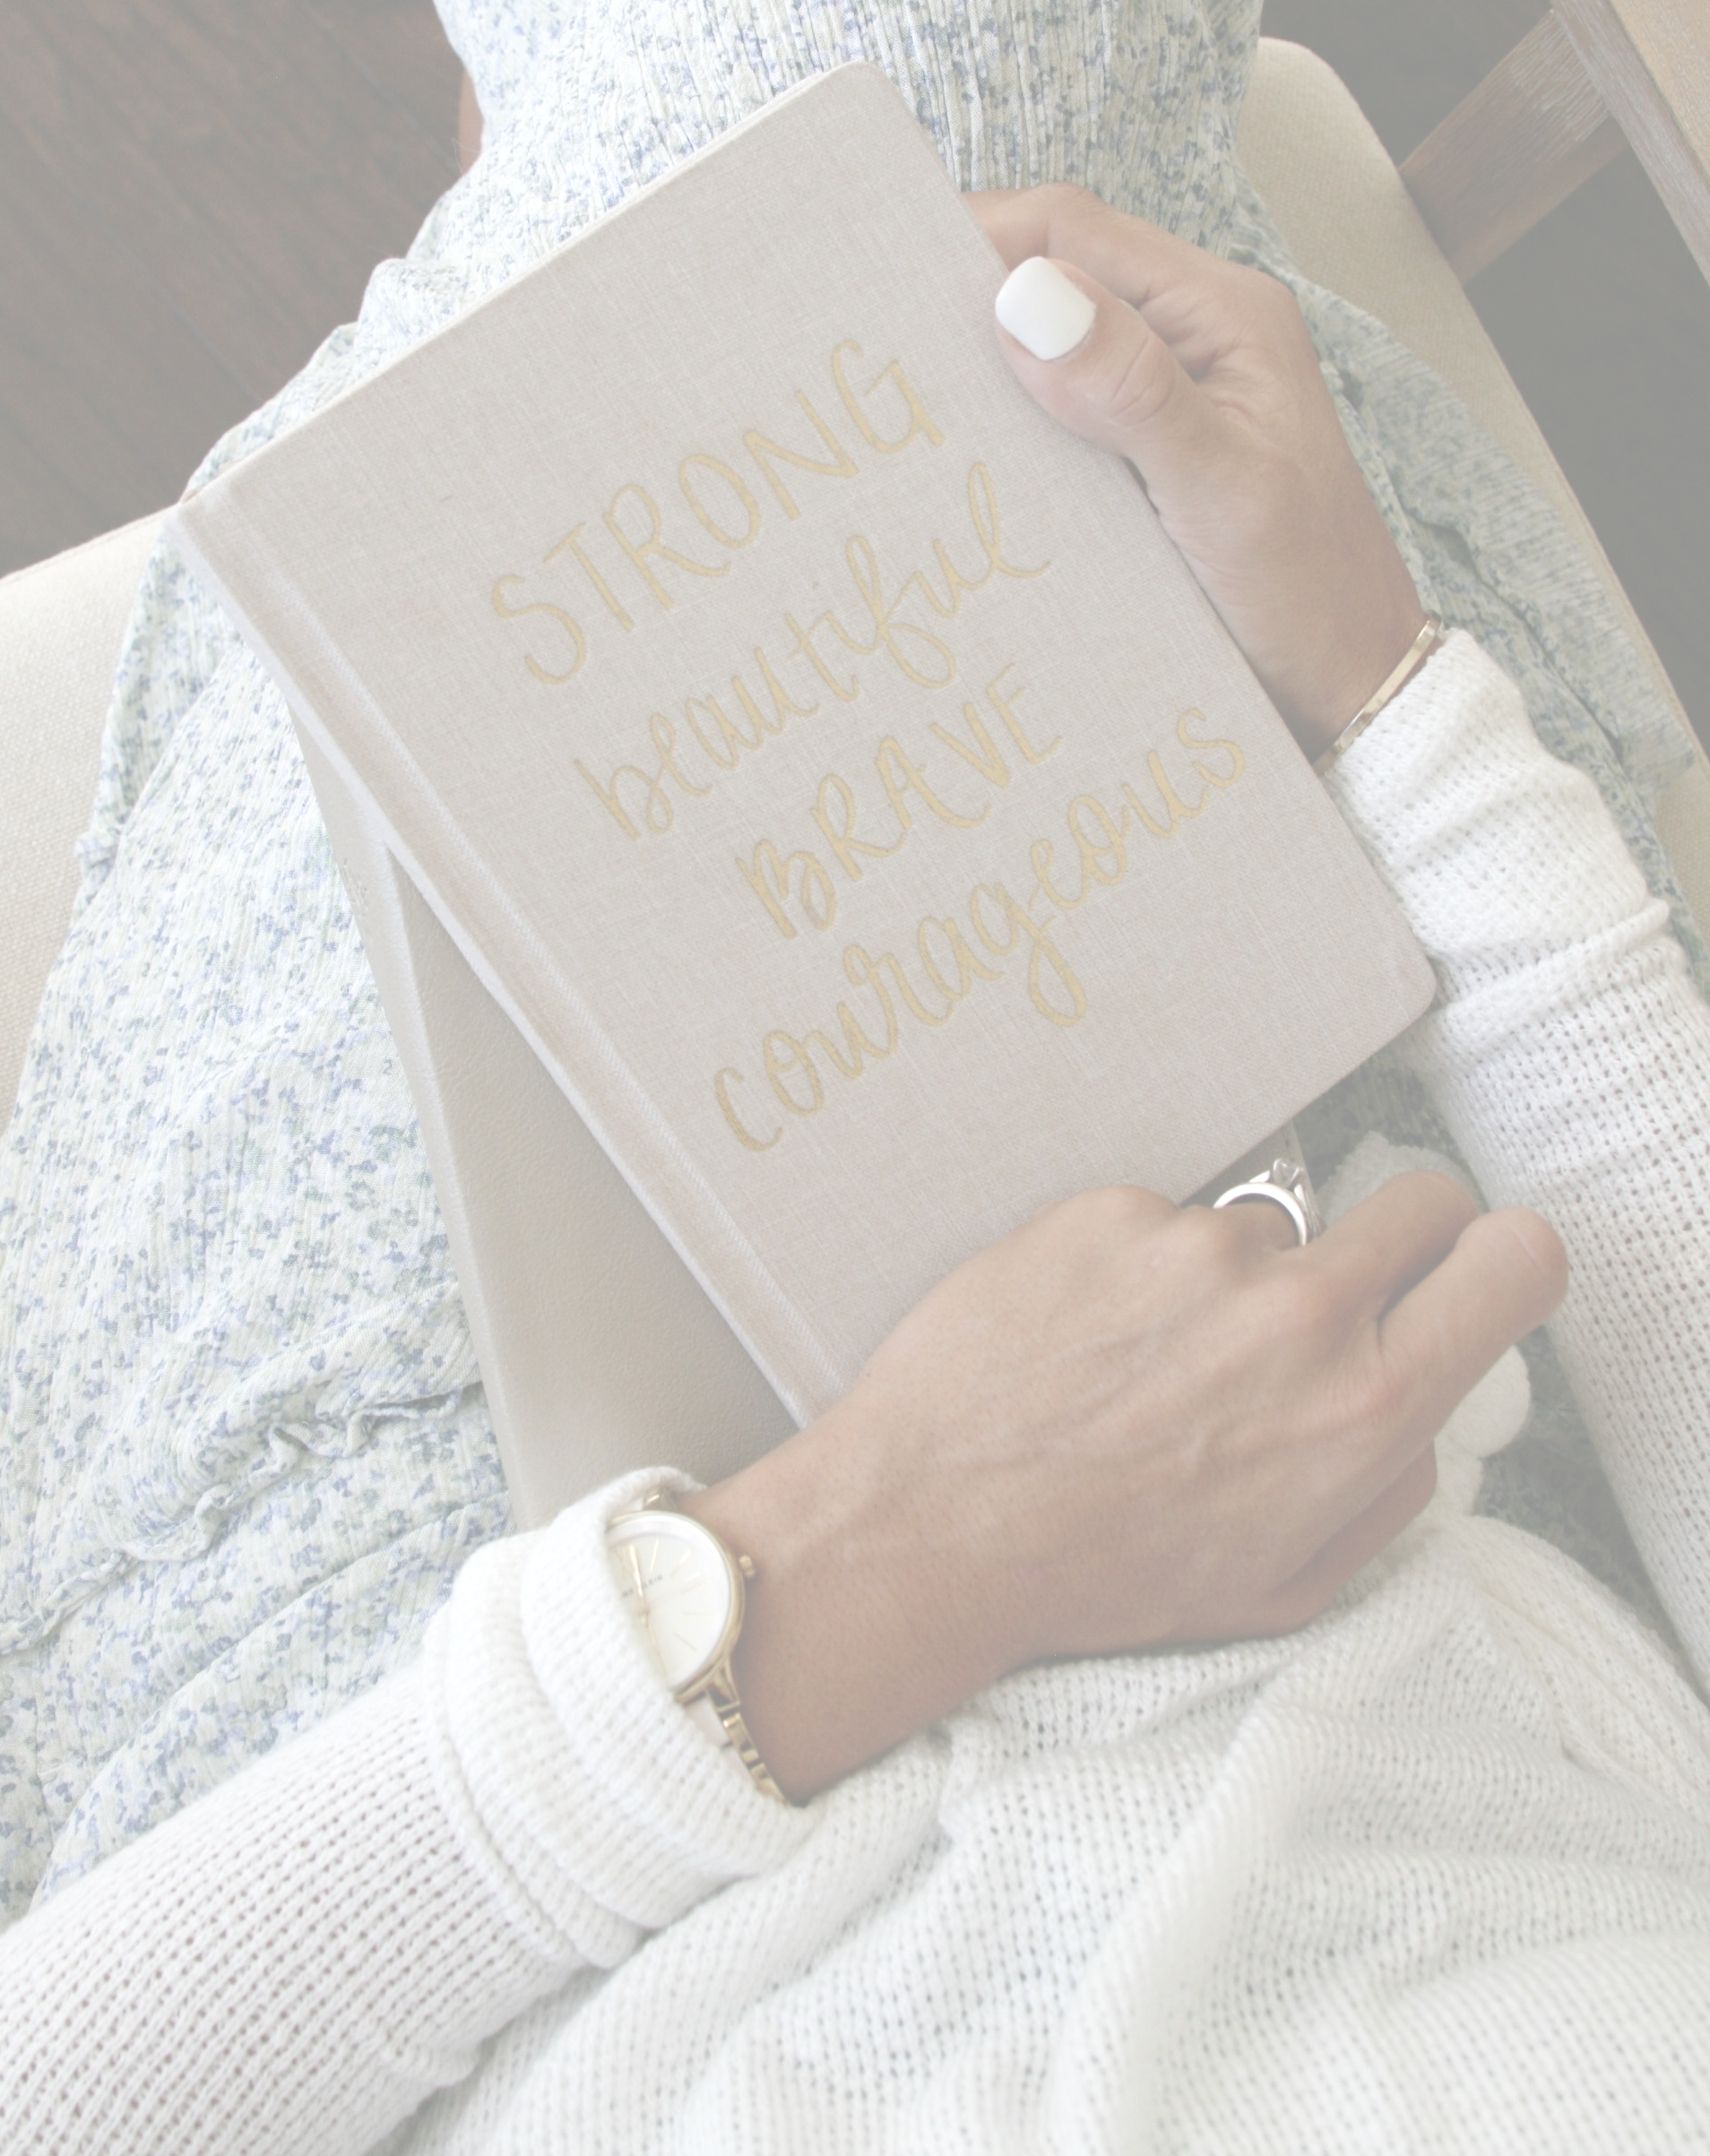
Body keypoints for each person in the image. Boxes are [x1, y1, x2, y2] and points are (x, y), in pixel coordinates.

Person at [4, 156, 1710, 2147]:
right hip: (1284, 1385)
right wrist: (1383, 685)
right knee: (938, 200)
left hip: (476, 1778)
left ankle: (508, 162)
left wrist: (913, 1543)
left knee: (753, 214)